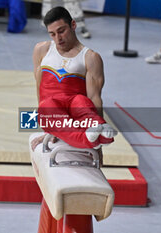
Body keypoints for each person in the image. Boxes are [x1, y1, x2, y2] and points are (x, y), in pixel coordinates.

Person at [31, 6, 117, 151]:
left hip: (76, 114)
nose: (58, 38)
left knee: (81, 101)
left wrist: (99, 150)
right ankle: (87, 139)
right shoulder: (42, 50)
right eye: (52, 34)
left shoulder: (90, 57)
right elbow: (39, 88)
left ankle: (102, 135)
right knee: (48, 105)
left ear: (73, 25)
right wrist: (50, 129)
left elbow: (95, 98)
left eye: (61, 31)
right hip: (52, 112)